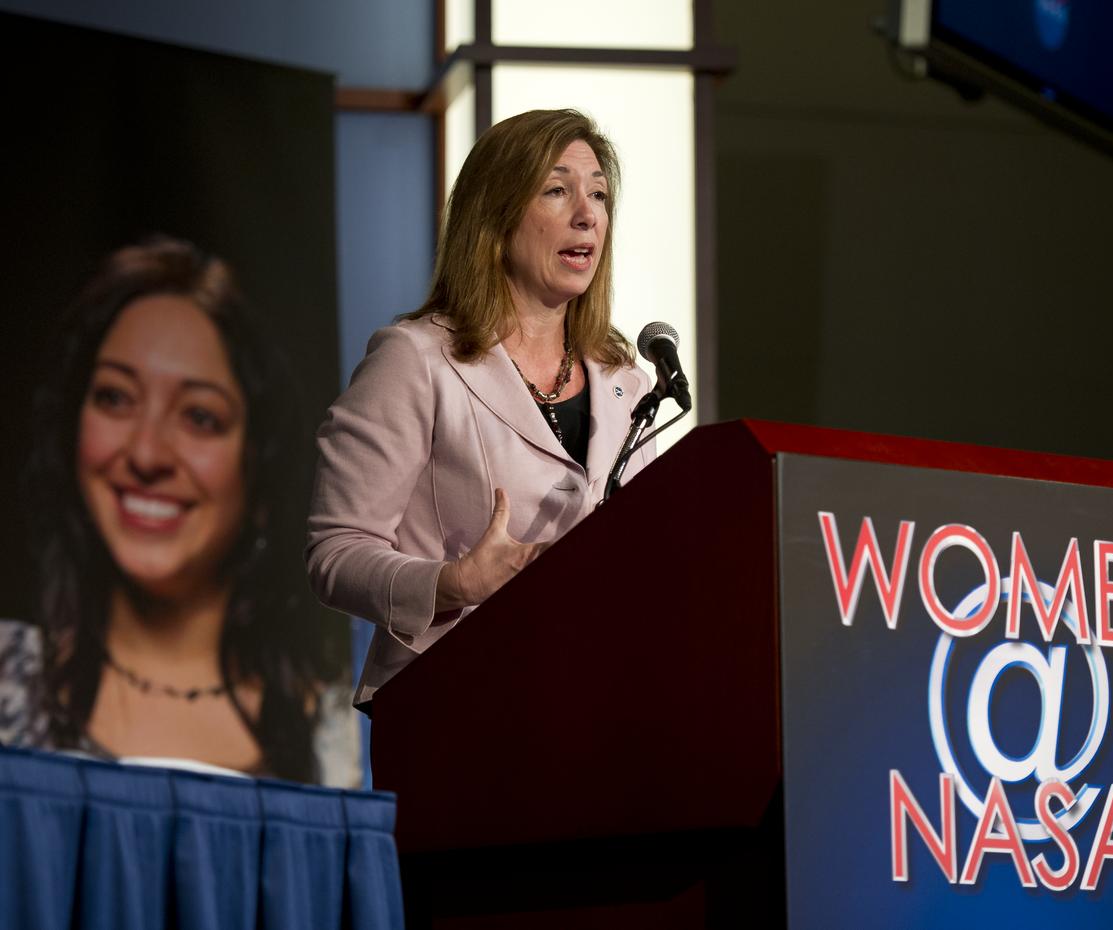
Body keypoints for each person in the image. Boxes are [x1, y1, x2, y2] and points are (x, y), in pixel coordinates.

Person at [307, 109, 656, 707]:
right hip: (455, 703)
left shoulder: (629, 381)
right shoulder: (415, 359)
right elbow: (334, 552)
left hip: (599, 704)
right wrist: (451, 582)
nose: (587, 213)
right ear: (494, 216)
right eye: (556, 190)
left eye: (598, 193)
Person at [0, 237, 358, 785]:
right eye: (115, 398)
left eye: (199, 417)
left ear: (259, 464)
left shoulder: (343, 739)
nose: (145, 454)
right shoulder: (7, 680)